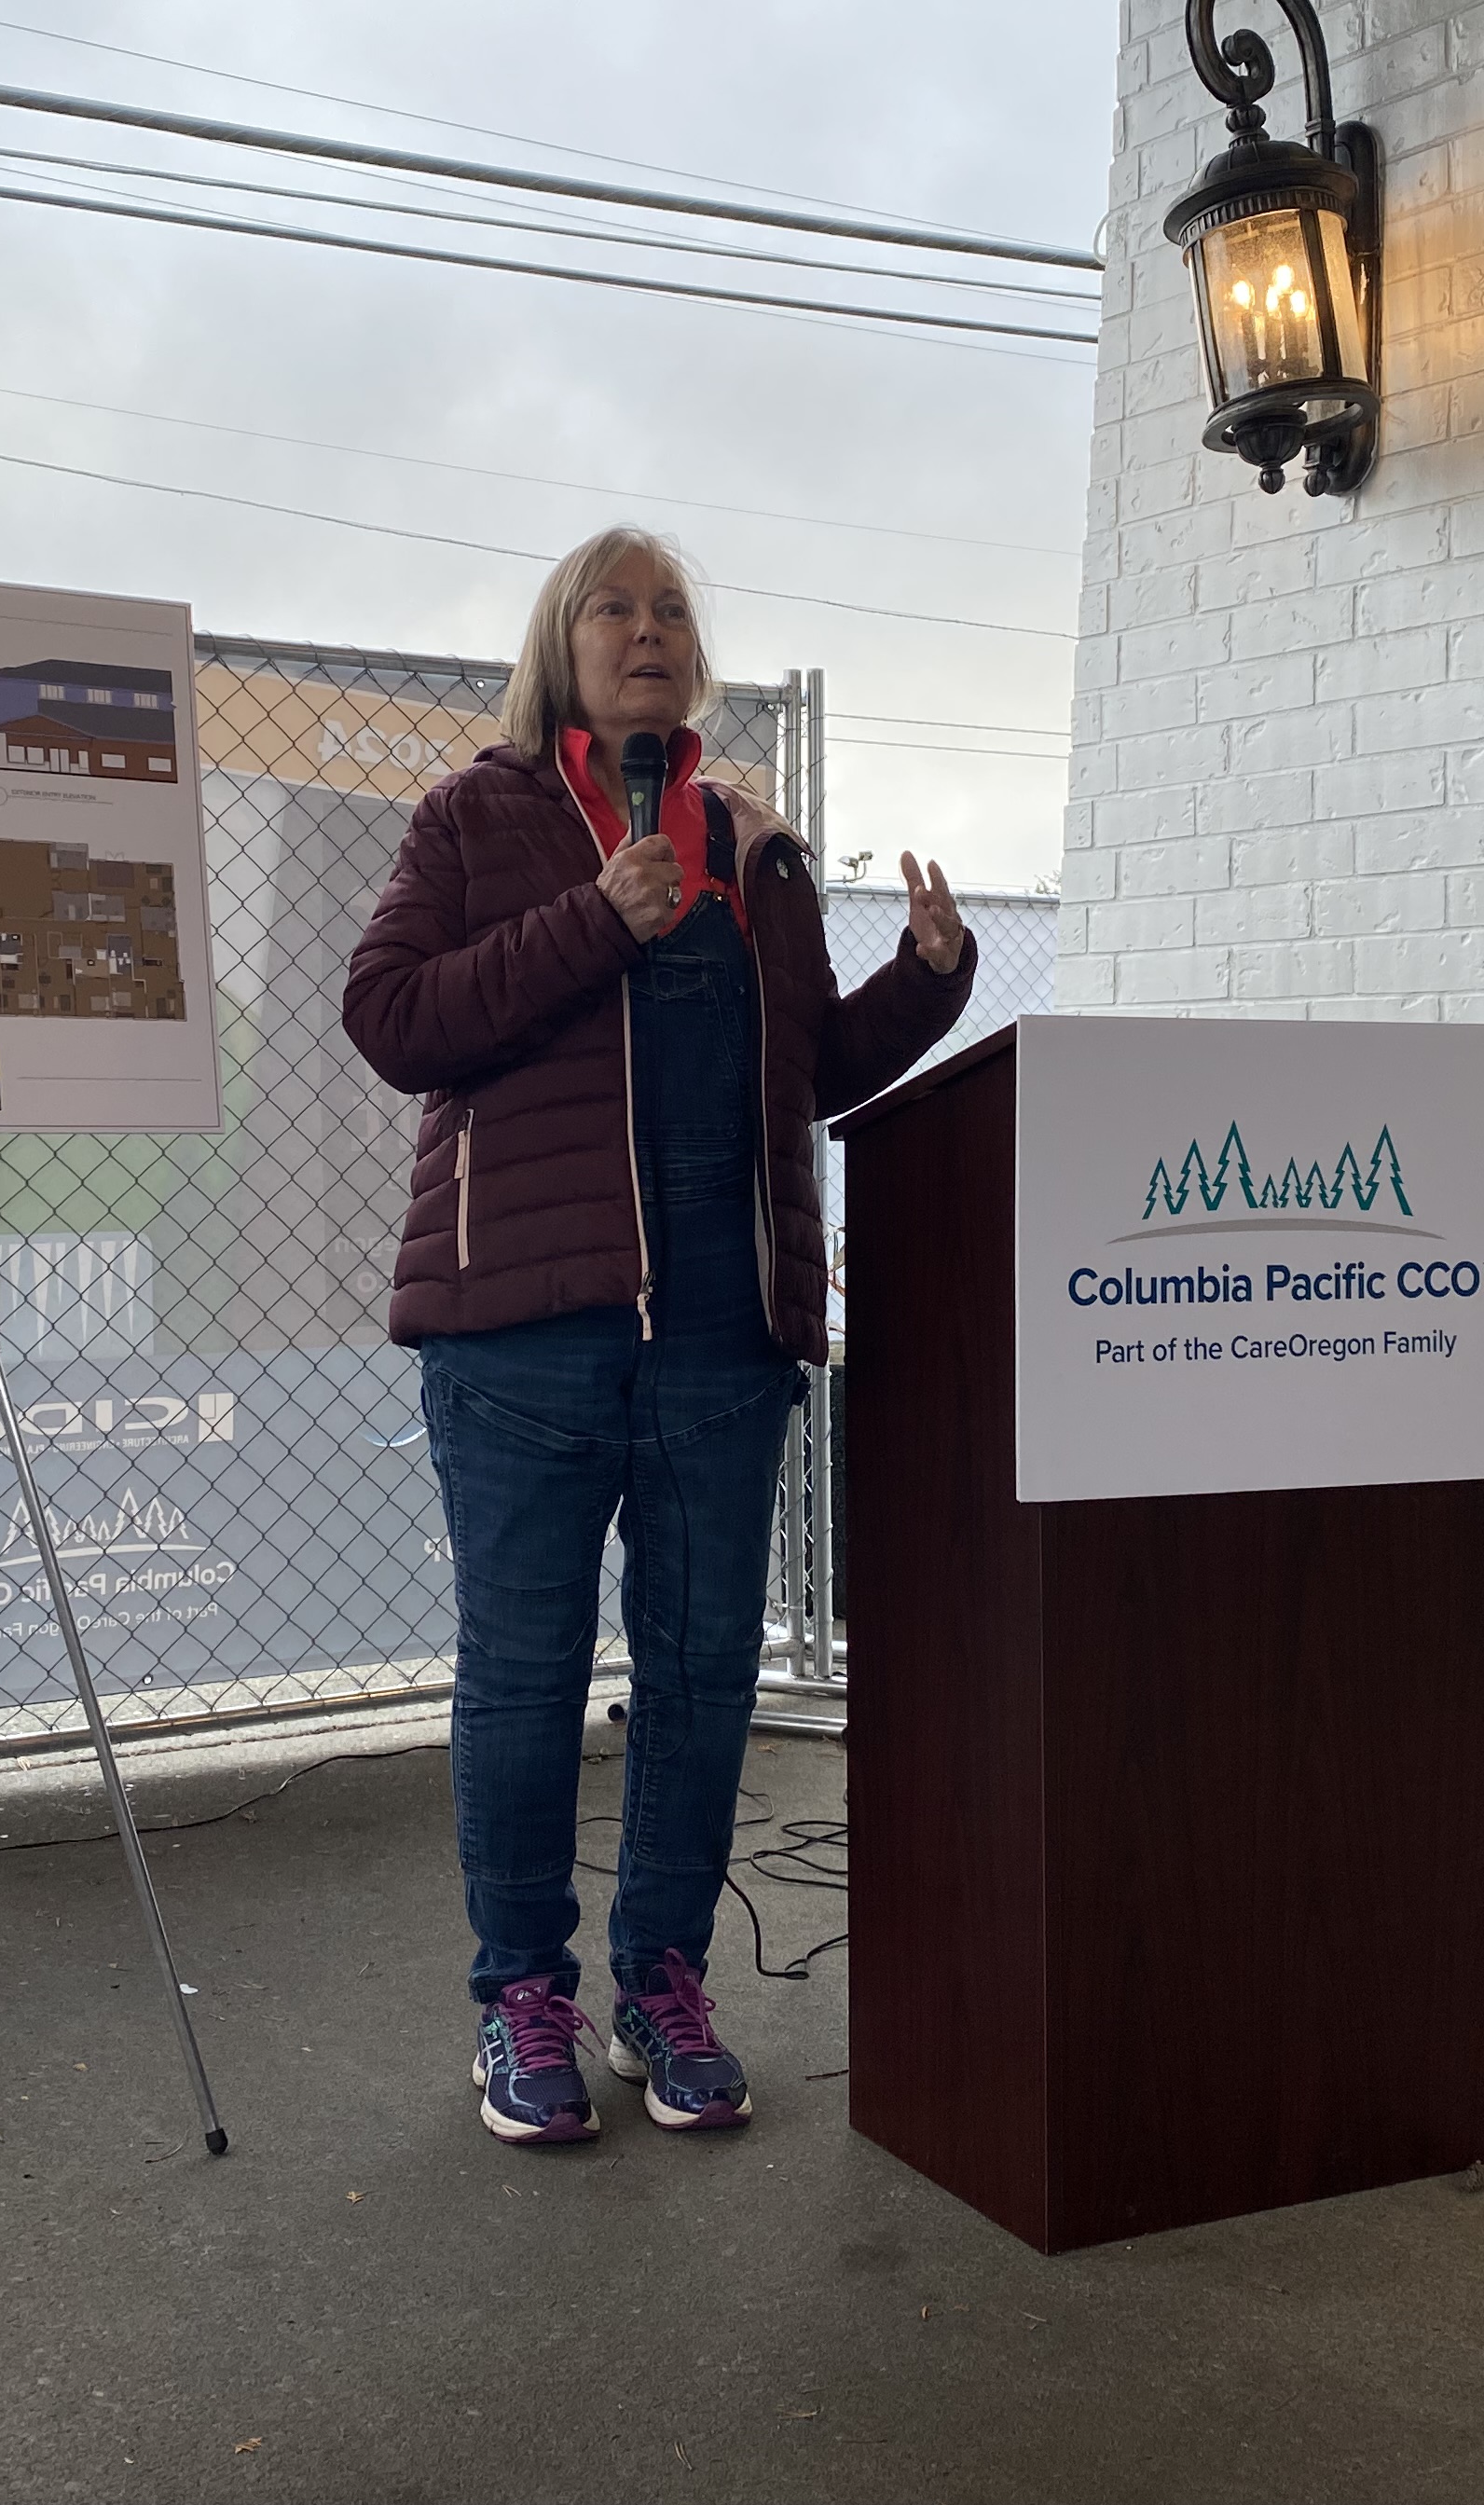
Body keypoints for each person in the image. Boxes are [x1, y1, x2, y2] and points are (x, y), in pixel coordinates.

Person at [345, 529, 972, 2142]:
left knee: (700, 1678)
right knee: (525, 1677)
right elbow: (393, 1020)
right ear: (560, 646)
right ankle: (522, 1999)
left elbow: (809, 1077)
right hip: (523, 1340)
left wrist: (928, 982)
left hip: (723, 1337)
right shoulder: (473, 817)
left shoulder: (757, 852)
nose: (647, 630)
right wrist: (597, 923)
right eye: (612, 609)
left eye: (672, 611)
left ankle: (664, 1984)